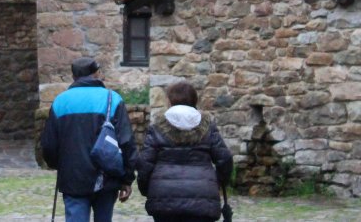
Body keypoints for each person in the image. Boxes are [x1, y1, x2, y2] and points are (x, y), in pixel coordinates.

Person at [41, 56, 137, 222]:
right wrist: (126, 179)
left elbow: (49, 145)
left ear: (74, 77)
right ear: (97, 74)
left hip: (73, 178)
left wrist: (60, 165)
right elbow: (126, 142)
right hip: (107, 176)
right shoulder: (112, 99)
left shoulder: (60, 102)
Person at [137, 80, 234, 222]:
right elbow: (224, 159)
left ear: (170, 101)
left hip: (164, 196)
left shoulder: (157, 126)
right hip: (203, 196)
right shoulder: (208, 127)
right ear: (195, 100)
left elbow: (144, 164)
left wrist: (147, 189)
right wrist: (217, 182)